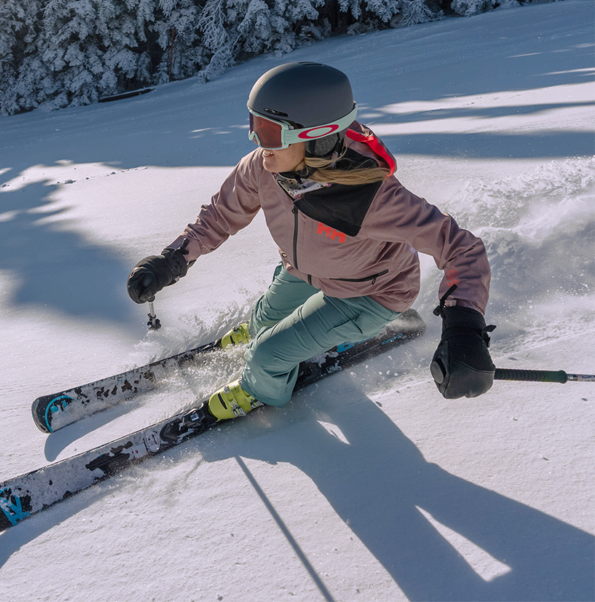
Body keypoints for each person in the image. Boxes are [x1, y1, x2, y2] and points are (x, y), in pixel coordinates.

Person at [127, 61, 495, 421]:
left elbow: (461, 248)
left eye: (269, 132)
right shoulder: (263, 167)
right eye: (253, 125)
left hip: (369, 293)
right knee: (261, 320)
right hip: (306, 271)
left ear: (315, 139)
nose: (257, 141)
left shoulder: (373, 198)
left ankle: (261, 391)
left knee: (266, 356)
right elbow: (221, 215)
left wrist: (464, 325)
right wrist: (172, 260)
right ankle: (262, 331)